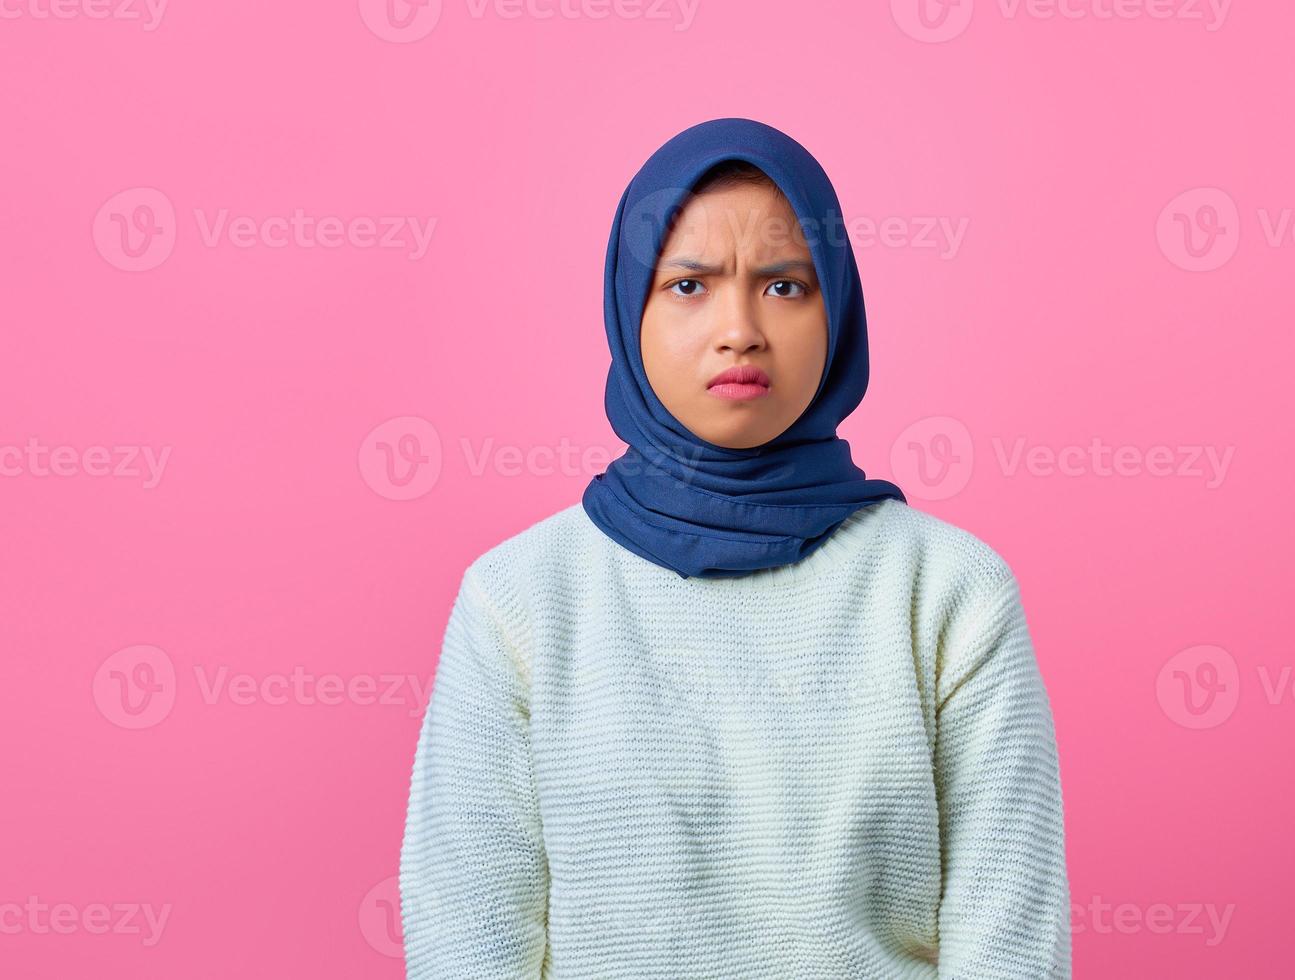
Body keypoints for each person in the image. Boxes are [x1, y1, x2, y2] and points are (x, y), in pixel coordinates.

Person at [399, 117, 1070, 978]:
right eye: (688, 285)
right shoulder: (521, 599)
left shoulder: (948, 592)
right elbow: (470, 938)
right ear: (626, 307)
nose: (740, 330)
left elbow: (1008, 940)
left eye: (785, 287)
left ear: (840, 307)